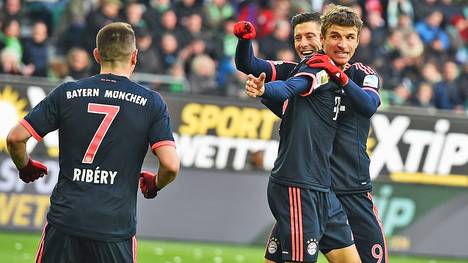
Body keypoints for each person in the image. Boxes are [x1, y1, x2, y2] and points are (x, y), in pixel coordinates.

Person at [6, 22, 180, 262]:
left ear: (96, 54)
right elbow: (170, 165)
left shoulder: (66, 93)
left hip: (65, 221)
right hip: (114, 228)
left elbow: (15, 138)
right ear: (135, 56)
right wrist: (156, 184)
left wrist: (25, 167)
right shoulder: (151, 102)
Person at [234, 4, 387, 263]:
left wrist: (340, 76)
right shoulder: (308, 70)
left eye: (309, 36)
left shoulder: (361, 74)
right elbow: (257, 70)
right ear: (326, 38)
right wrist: (246, 45)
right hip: (310, 185)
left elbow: (369, 105)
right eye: (297, 37)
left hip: (350, 189)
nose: (303, 42)